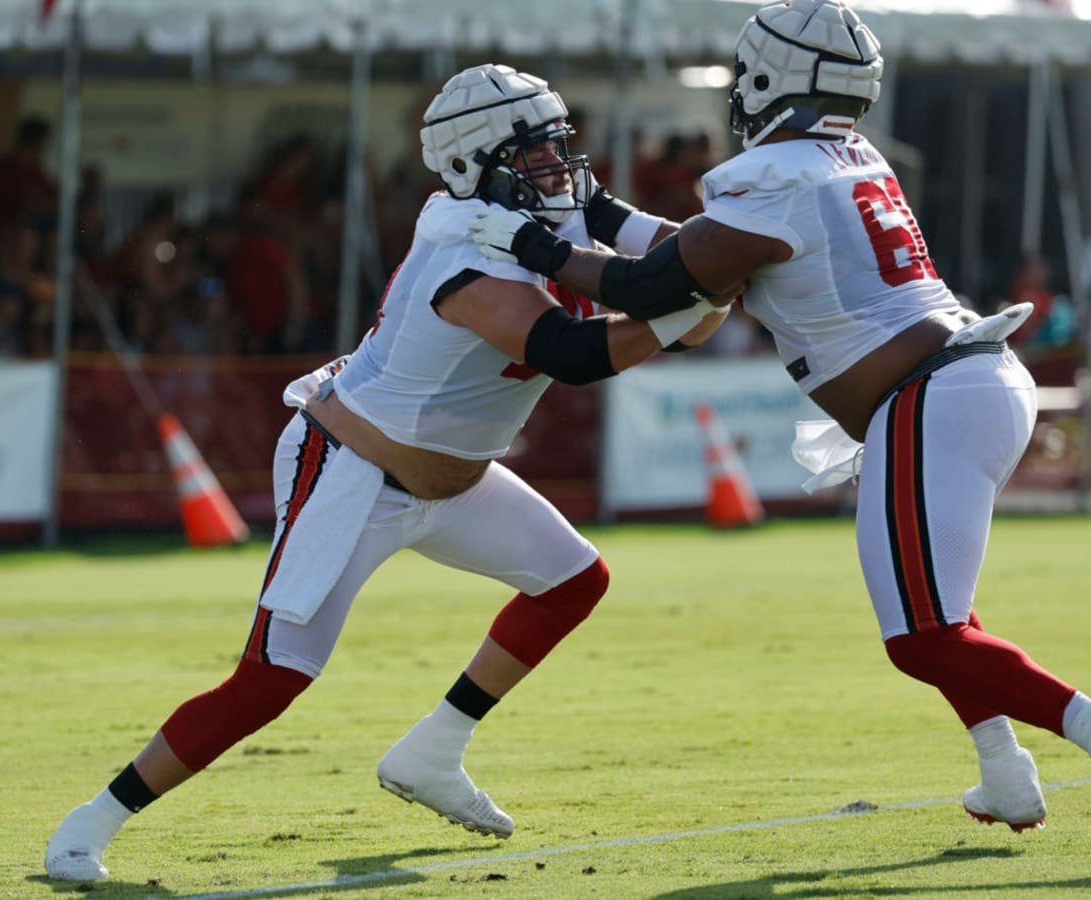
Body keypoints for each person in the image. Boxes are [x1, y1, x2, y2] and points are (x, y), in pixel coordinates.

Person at [44, 62, 733, 882]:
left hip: (453, 478)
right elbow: (573, 354)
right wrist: (690, 305)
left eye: (557, 146)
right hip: (352, 469)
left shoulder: (531, 215)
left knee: (573, 581)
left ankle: (434, 749)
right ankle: (93, 821)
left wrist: (697, 262)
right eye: (536, 152)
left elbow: (676, 261)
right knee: (272, 679)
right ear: (479, 164)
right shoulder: (464, 248)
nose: (558, 167)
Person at [468, 0, 1091, 836]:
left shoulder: (775, 175)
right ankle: (1003, 770)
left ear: (769, 78)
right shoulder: (844, 158)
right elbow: (699, 251)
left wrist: (538, 248)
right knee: (940, 615)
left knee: (923, 635)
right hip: (968, 383)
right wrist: (599, 209)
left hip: (932, 396)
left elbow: (655, 285)